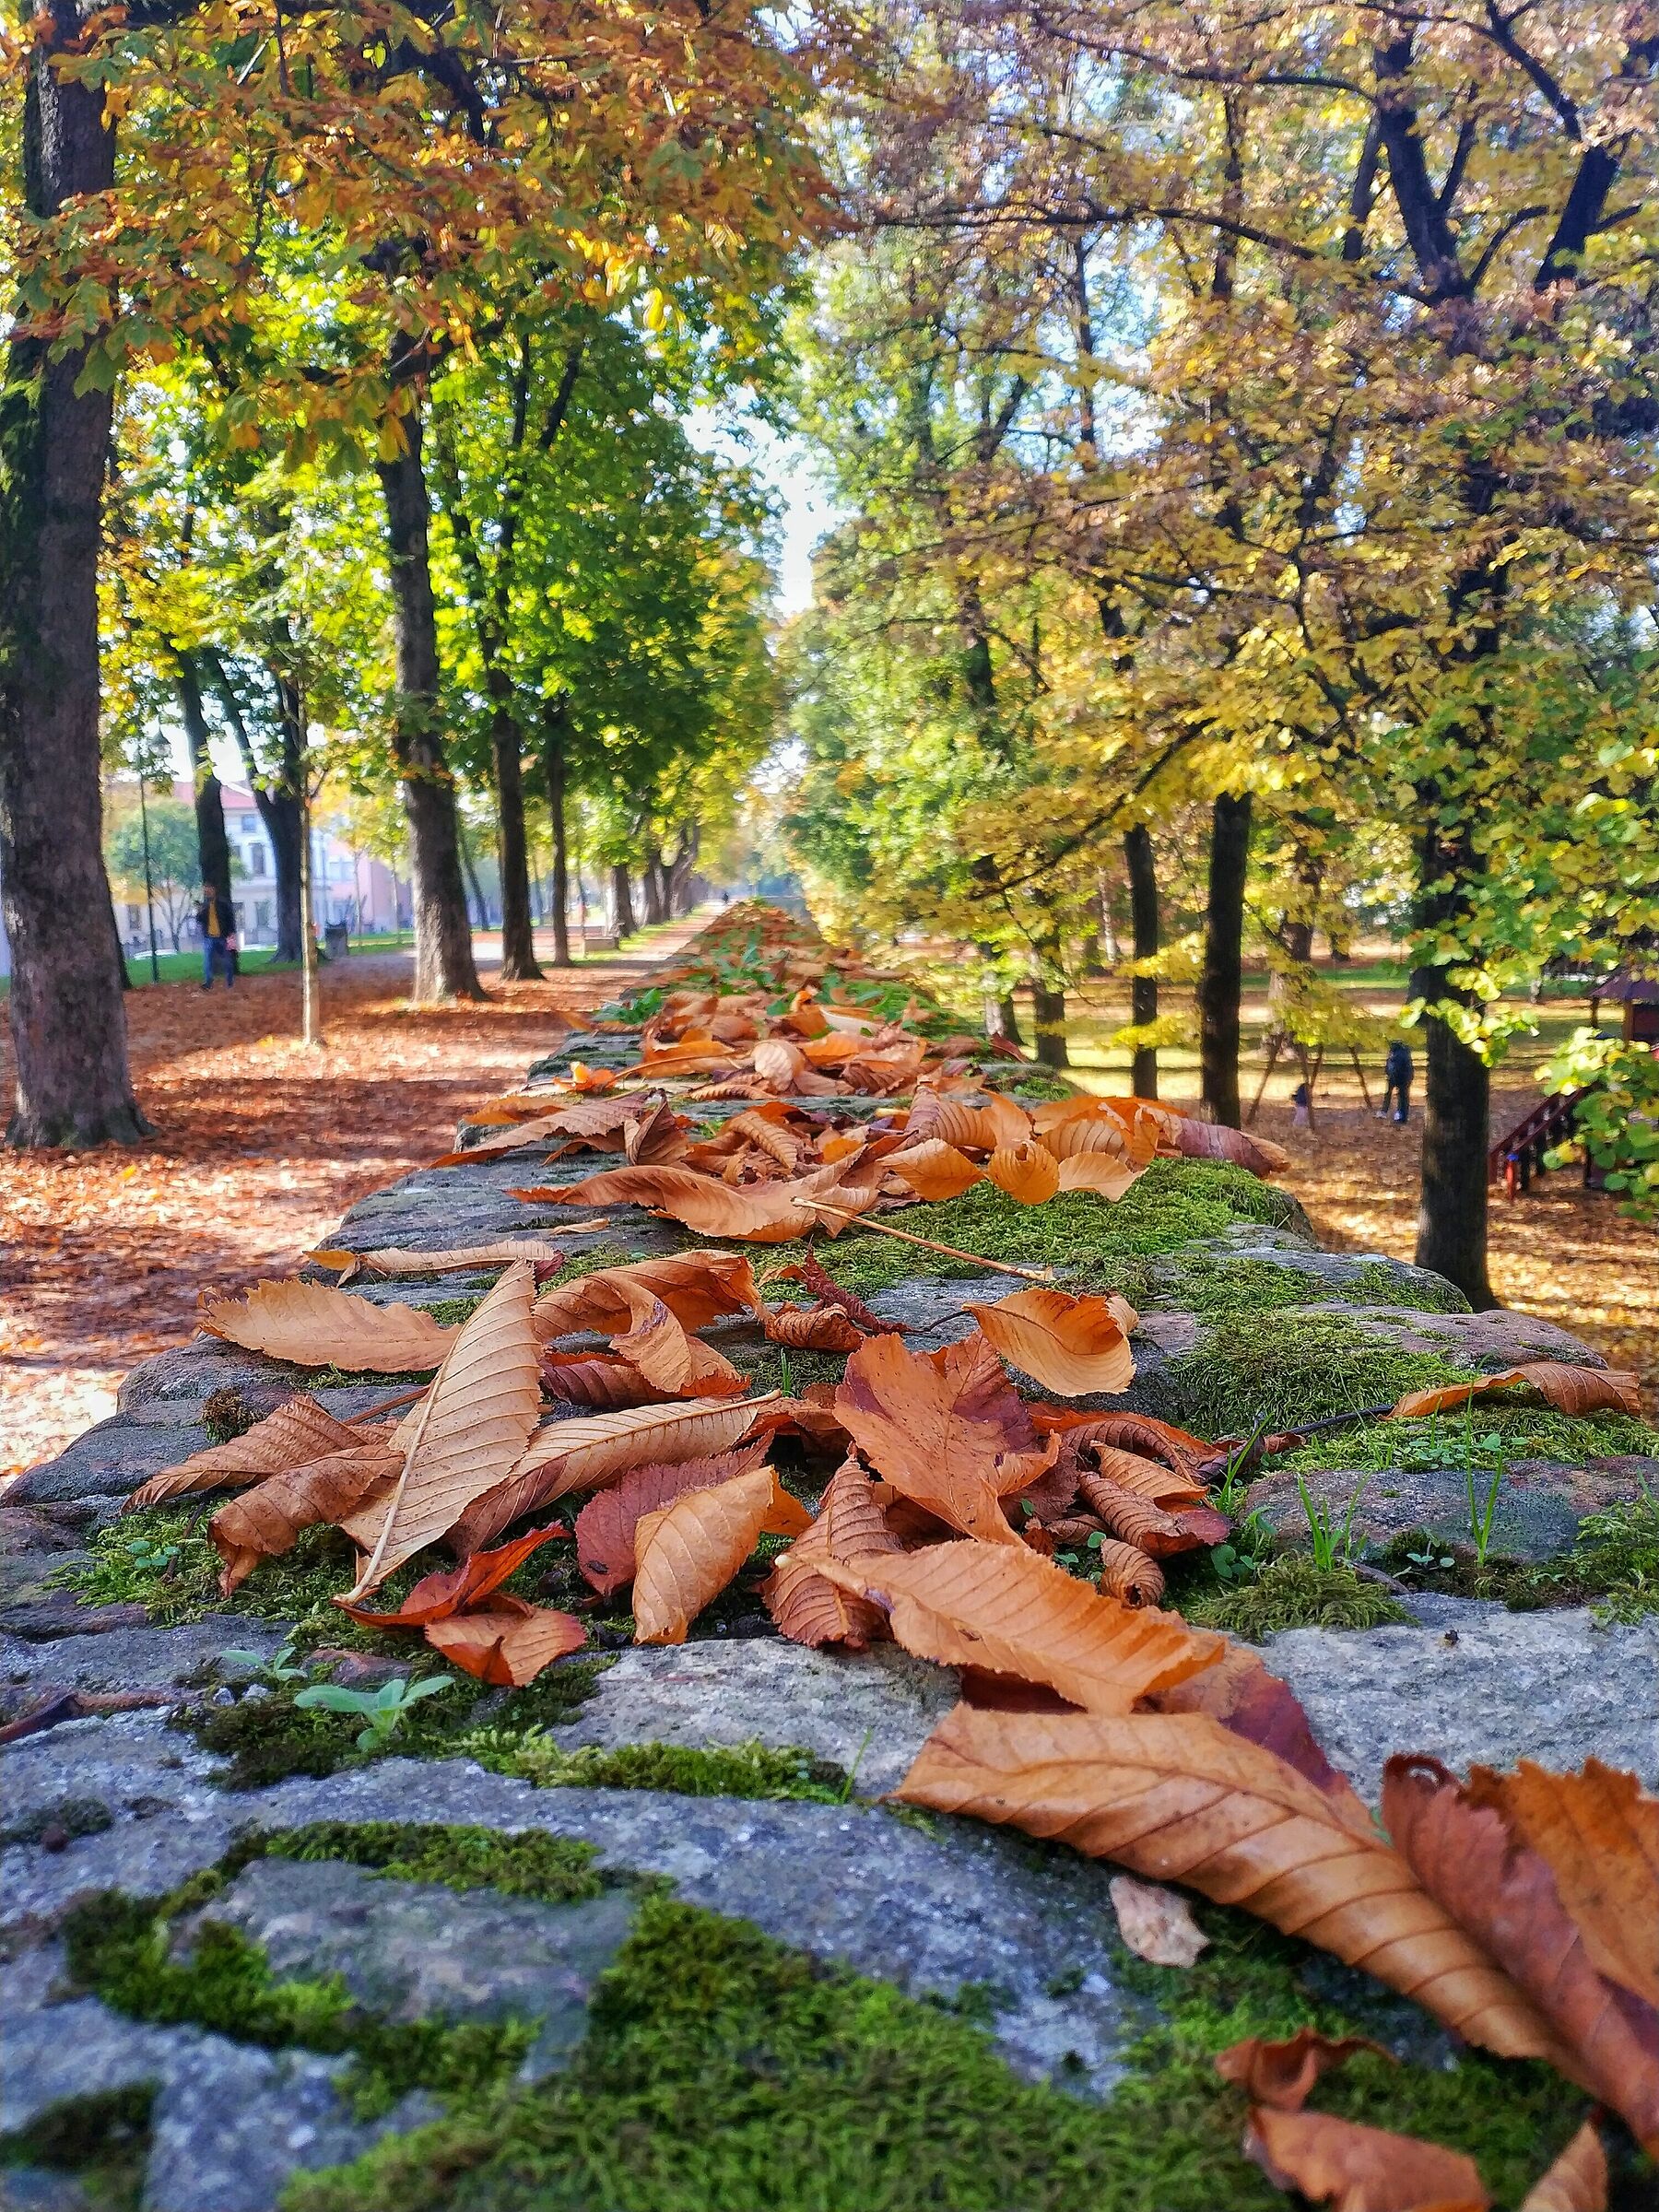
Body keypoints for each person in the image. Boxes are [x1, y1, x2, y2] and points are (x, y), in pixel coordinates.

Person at [196, 884, 237, 990]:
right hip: (209, 937)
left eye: (208, 890)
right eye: (205, 891)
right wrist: (199, 912)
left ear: (214, 890)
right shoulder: (205, 905)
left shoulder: (223, 904)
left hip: (222, 936)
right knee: (207, 961)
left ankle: (229, 982)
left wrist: (231, 933)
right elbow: (200, 920)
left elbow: (230, 919)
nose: (207, 893)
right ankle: (208, 982)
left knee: (227, 960)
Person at [1382, 1039, 1413, 1124]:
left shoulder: (1399, 1055)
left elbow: (1397, 1068)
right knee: (1402, 1098)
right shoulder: (1398, 1054)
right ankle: (1400, 1116)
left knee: (1403, 1098)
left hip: (1401, 1079)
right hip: (1400, 1078)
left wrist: (1393, 1078)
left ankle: (1402, 1118)